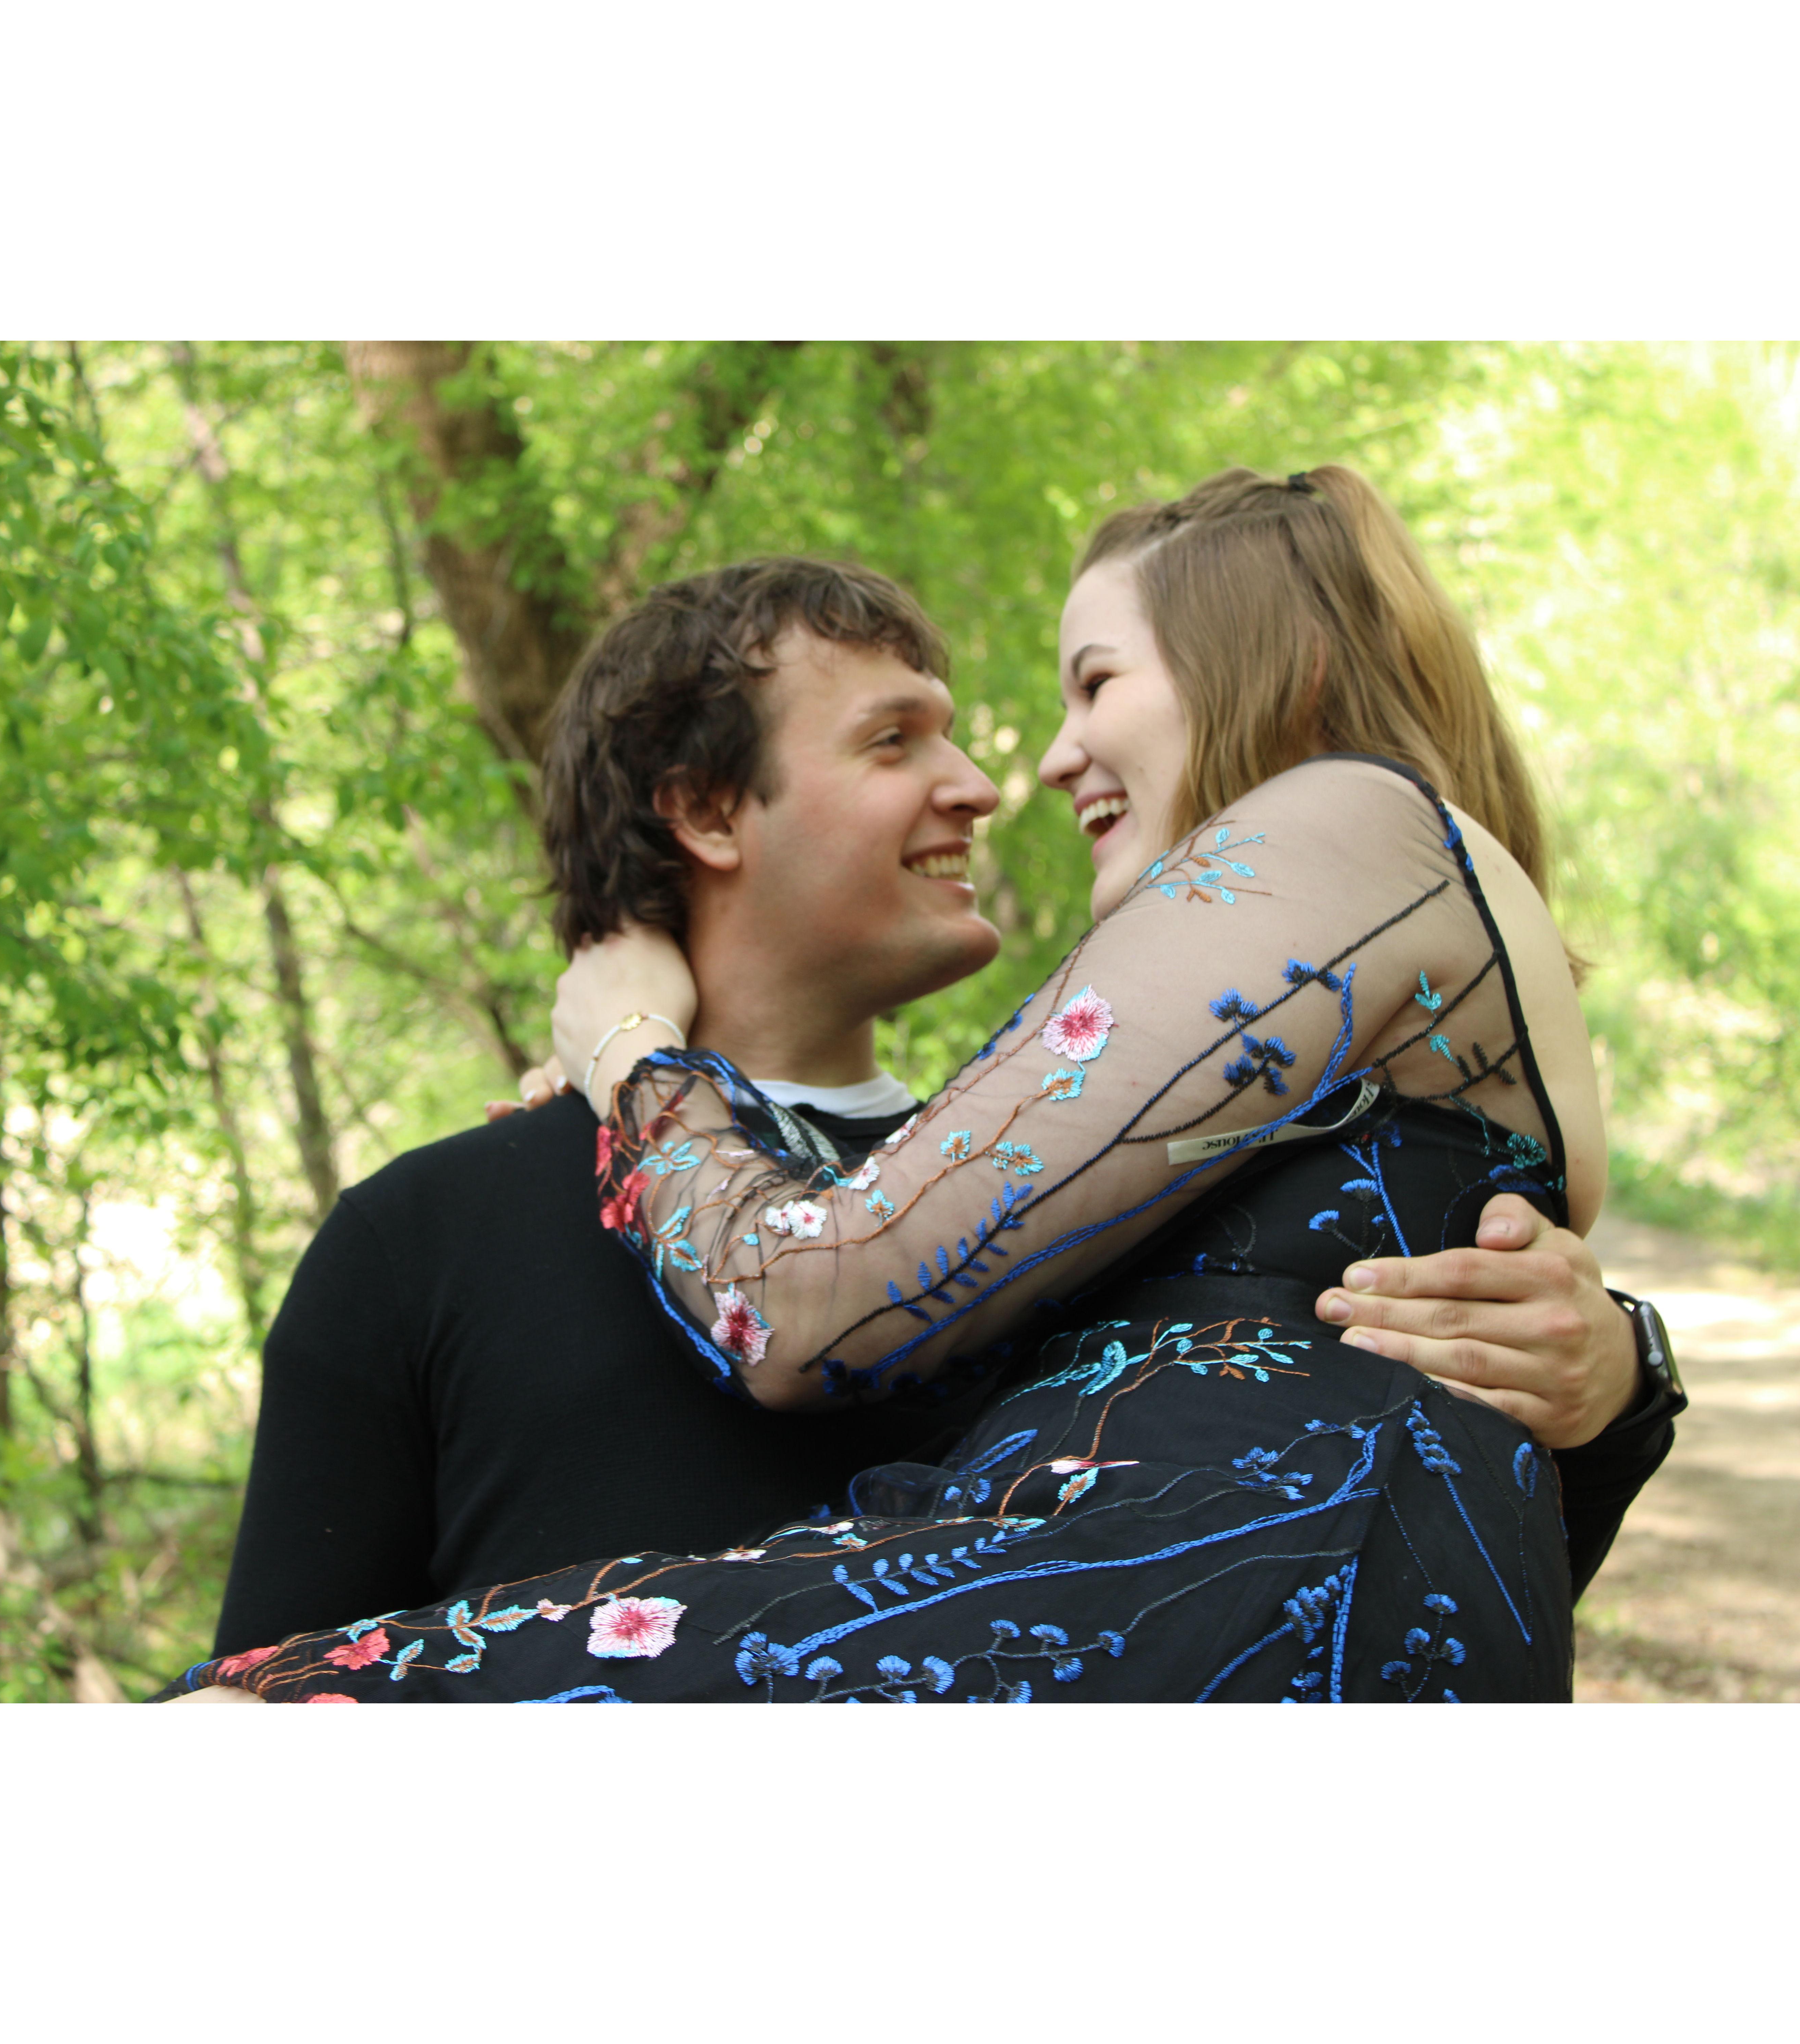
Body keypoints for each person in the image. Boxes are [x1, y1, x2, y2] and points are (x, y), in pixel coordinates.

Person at [173, 473, 1683, 1703]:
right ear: (705, 813)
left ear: (1273, 668)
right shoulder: (439, 1230)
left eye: (1095, 684)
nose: (1015, 773)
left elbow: (1360, 1468)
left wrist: (632, 1057)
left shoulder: (964, 1197)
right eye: (898, 741)